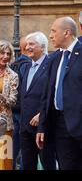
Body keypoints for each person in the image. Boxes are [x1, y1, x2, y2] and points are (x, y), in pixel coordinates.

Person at [37, 17, 82, 169]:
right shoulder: (53, 59)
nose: (50, 35)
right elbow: (46, 96)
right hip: (59, 126)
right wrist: (42, 127)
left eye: (54, 31)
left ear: (67, 33)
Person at [19, 32, 56, 170]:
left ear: (42, 46)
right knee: (28, 164)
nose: (27, 47)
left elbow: (54, 93)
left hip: (43, 126)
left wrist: (42, 114)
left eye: (32, 44)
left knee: (48, 163)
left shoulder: (51, 64)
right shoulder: (27, 67)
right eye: (27, 44)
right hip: (25, 127)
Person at [0, 40, 18, 170]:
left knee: (4, 159)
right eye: (2, 53)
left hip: (5, 123)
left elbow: (13, 101)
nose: (5, 56)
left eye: (8, 54)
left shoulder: (13, 75)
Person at [10, 36, 31, 169]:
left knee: (13, 146)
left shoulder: (13, 65)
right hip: (24, 111)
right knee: (25, 147)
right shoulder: (28, 65)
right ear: (26, 48)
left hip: (13, 110)